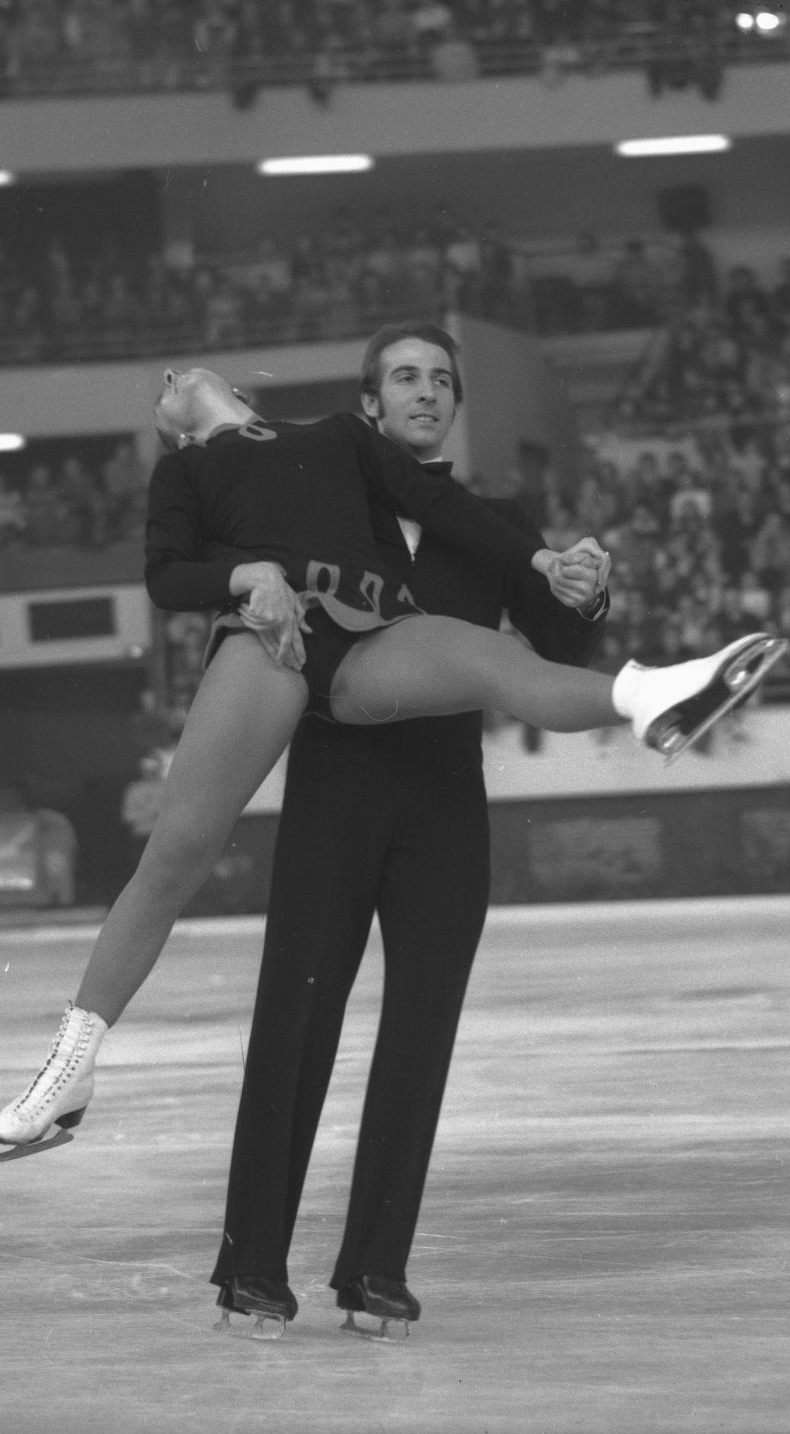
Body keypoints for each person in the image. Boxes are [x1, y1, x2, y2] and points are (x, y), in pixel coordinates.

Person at [0, 358, 784, 1172]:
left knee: (498, 663)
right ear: (177, 426)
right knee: (179, 851)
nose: (169, 377)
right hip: (274, 637)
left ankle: (650, 695)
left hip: (376, 629)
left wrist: (538, 562)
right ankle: (71, 1063)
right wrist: (246, 574)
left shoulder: (337, 434)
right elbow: (166, 575)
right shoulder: (186, 470)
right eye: (161, 392)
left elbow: (435, 499)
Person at [210, 324, 609, 1341]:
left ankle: (373, 1271)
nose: (425, 392)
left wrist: (584, 586)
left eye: (441, 379)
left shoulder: (496, 522)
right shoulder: (320, 508)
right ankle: (252, 1267)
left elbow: (558, 646)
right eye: (405, 377)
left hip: (444, 800)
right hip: (336, 787)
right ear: (371, 405)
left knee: (420, 1034)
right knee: (296, 1025)